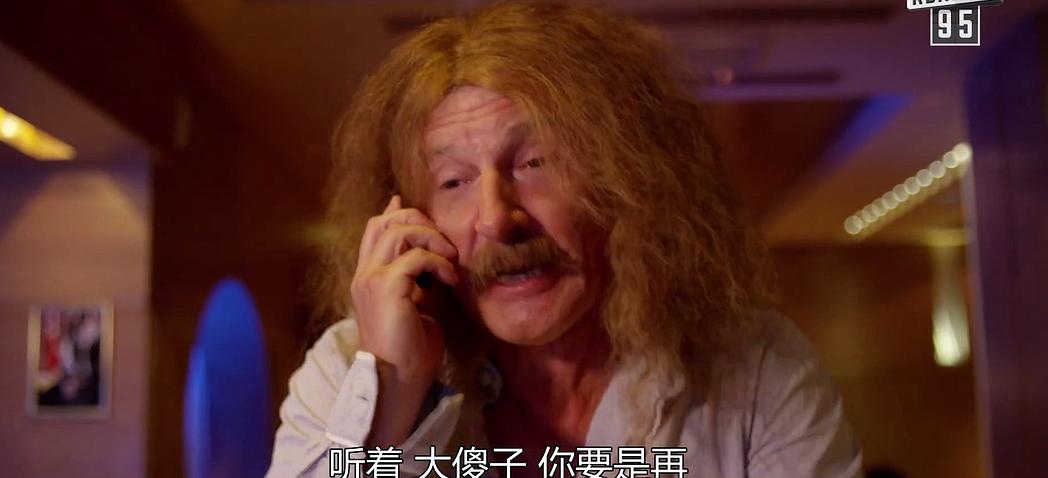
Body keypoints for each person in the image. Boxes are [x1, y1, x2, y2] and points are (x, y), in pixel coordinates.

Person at [268, 2, 862, 477]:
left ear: (628, 179)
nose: (496, 218)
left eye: (536, 162)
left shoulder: (757, 367)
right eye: (453, 181)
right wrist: (390, 399)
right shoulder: (348, 369)